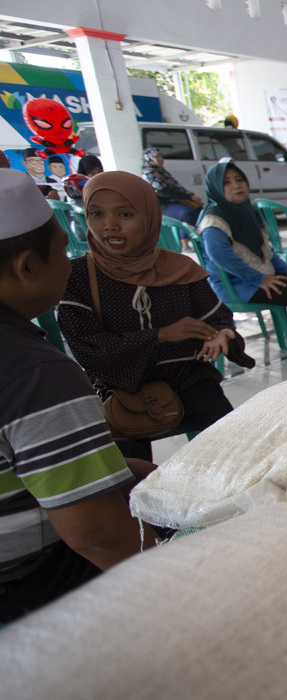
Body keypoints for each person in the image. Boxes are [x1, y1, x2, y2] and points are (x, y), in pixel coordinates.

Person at [0, 169, 157, 622]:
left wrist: (131, 471)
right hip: (24, 582)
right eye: (61, 250)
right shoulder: (34, 374)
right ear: (27, 266)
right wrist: (176, 577)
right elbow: (98, 535)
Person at [57, 172, 256, 458]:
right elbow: (87, 347)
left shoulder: (179, 268)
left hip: (186, 378)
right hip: (120, 387)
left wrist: (223, 334)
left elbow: (218, 318)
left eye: (125, 214)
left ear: (150, 215)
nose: (109, 226)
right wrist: (162, 334)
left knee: (235, 447)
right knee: (128, 470)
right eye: (95, 213)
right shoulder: (78, 277)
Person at [197, 161, 287, 371]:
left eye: (239, 180)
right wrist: (259, 279)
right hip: (237, 286)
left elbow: (267, 252)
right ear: (216, 188)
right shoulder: (214, 219)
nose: (236, 186)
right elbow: (219, 255)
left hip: (260, 276)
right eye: (227, 182)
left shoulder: (246, 210)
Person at [141, 147, 204, 227]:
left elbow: (176, 186)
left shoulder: (161, 172)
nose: (161, 159)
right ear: (149, 159)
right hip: (160, 206)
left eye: (161, 156)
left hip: (172, 202)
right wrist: (188, 196)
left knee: (200, 210)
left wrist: (190, 195)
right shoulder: (147, 174)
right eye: (157, 157)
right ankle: (184, 239)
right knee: (187, 213)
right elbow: (162, 192)